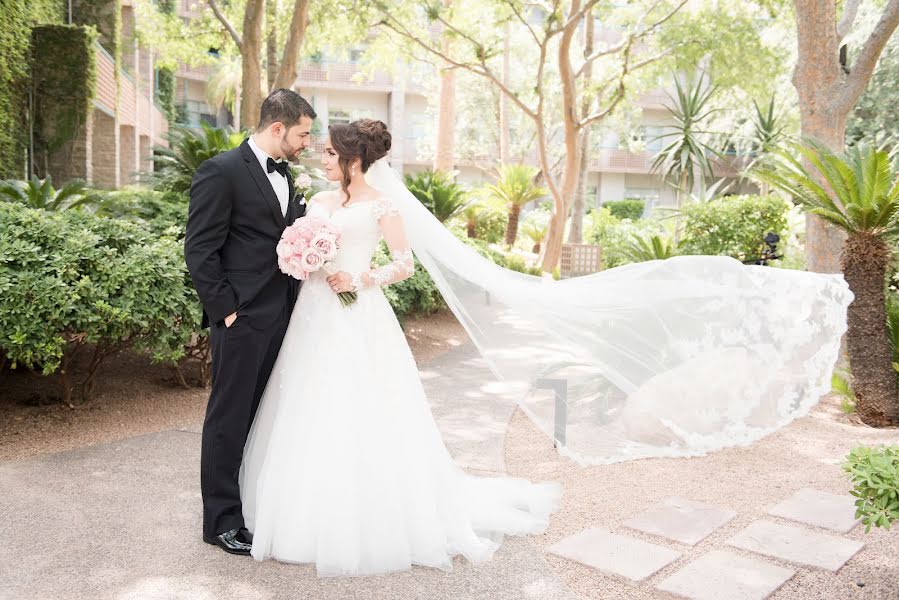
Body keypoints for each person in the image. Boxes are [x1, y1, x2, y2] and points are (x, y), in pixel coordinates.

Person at [239, 119, 562, 575]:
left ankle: (365, 517)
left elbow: (404, 264)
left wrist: (359, 278)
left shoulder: (382, 205)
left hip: (356, 314)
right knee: (307, 403)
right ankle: (299, 510)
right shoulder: (318, 200)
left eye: (331, 153)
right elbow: (301, 247)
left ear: (354, 159)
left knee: (361, 407)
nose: (323, 159)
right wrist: (302, 257)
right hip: (312, 315)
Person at [184, 89, 315, 555]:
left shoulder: (290, 178)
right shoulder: (220, 172)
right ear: (277, 128)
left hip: (283, 316)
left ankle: (251, 510)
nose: (306, 143)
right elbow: (199, 249)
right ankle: (220, 522)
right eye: (302, 134)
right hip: (241, 320)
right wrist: (227, 312)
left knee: (263, 418)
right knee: (229, 417)